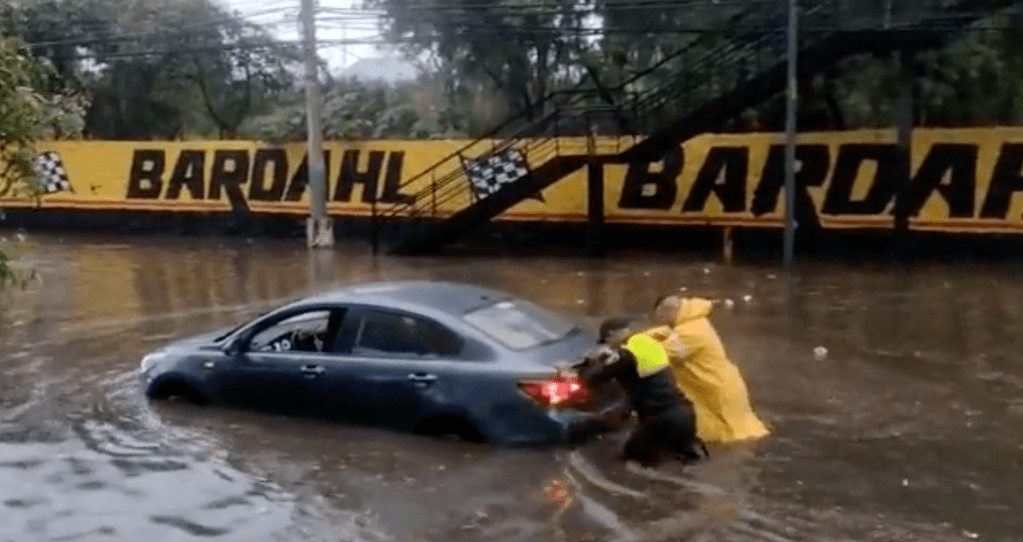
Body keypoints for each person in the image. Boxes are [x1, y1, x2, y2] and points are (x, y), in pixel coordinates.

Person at [573, 317, 707, 467]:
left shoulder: (627, 354)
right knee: (688, 459)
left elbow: (595, 379)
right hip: (684, 413)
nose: (609, 346)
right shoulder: (649, 343)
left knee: (630, 459)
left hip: (659, 420)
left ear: (612, 334)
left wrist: (585, 366)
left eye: (606, 341)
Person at [645, 295, 770, 445]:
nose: (659, 318)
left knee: (733, 434)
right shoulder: (691, 322)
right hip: (715, 386)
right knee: (725, 430)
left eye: (661, 314)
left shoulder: (691, 332)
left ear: (669, 310)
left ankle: (738, 457)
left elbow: (660, 355)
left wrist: (628, 350)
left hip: (716, 389)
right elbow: (664, 332)